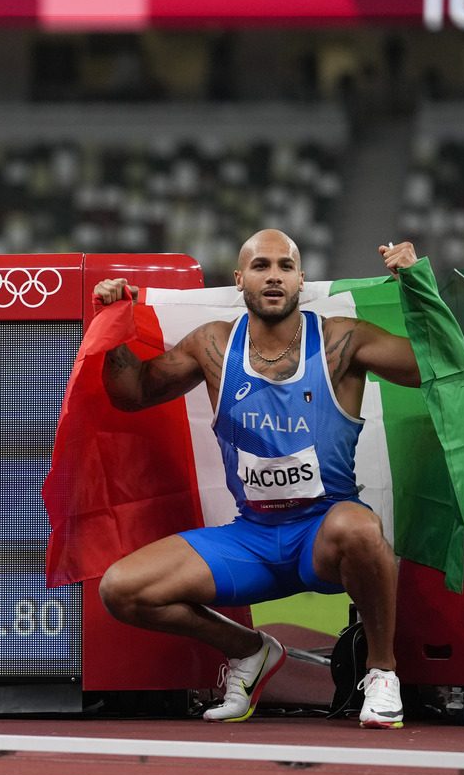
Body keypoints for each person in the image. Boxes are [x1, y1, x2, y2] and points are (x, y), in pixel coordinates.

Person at [93, 229, 422, 729]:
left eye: (285, 267)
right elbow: (132, 392)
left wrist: (416, 285)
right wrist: (111, 324)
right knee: (122, 589)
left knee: (358, 527)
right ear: (240, 279)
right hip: (253, 538)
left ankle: (381, 672)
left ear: (301, 280)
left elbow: (430, 368)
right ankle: (251, 652)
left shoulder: (341, 339)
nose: (274, 276)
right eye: (262, 266)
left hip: (322, 533)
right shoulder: (212, 345)